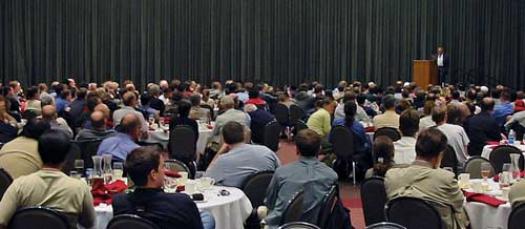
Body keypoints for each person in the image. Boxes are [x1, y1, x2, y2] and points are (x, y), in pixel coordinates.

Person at [0, 129, 96, 228]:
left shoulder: (19, 185)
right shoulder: (79, 188)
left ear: (39, 153)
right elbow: (89, 223)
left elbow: (1, 220)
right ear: (66, 157)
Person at [384, 128, 468, 229]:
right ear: (440, 155)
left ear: (416, 150)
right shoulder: (446, 178)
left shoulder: (391, 175)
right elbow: (459, 204)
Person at [112, 147, 205, 229]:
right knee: (207, 217)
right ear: (153, 175)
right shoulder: (182, 202)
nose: (165, 171)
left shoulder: (119, 202)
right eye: (162, 166)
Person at [263, 129, 338, 226]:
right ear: (319, 149)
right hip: (314, 225)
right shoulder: (331, 175)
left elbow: (269, 202)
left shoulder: (282, 173)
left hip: (281, 225)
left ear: (297, 149)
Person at [205, 121, 280, 188]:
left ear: (224, 140)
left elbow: (206, 180)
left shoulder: (223, 160)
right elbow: (280, 172)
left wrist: (219, 152)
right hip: (268, 197)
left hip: (237, 200)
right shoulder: (266, 151)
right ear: (244, 136)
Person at [332, 101, 372, 178]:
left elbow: (331, 139)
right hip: (355, 151)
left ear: (344, 111)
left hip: (337, 150)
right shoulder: (358, 126)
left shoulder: (336, 123)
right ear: (355, 112)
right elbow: (362, 142)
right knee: (369, 145)